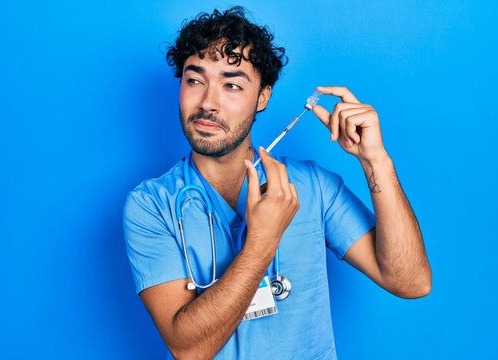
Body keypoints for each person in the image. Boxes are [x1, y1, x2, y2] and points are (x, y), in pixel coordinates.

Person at [123, 6, 431, 360]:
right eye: (195, 80)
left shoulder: (313, 186)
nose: (208, 102)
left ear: (263, 97)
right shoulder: (150, 205)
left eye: (232, 85)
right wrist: (262, 242)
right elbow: (189, 349)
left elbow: (411, 282)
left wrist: (376, 161)